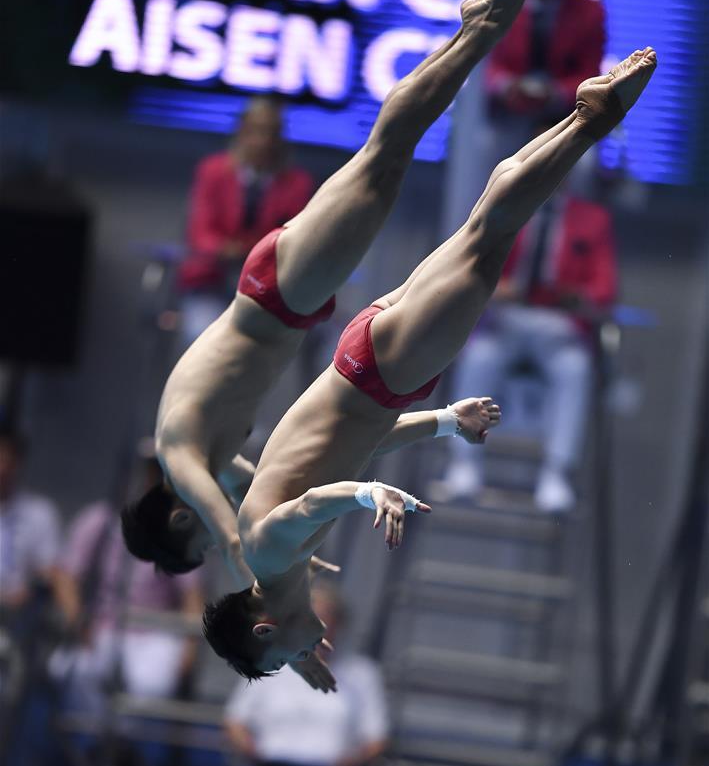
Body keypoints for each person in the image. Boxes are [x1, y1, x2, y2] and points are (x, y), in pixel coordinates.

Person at [202, 48, 657, 688]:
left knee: (489, 242)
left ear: (265, 627)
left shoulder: (269, 550)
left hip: (381, 372)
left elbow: (312, 501)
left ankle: (589, 122)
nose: (313, 650)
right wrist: (444, 421)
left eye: (286, 655)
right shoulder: (276, 573)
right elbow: (355, 448)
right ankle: (579, 113)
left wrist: (371, 494)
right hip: (367, 363)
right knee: (481, 232)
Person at [122, 0, 533, 591]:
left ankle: (474, 33)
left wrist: (268, 590)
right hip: (284, 298)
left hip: (275, 298)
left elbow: (234, 538)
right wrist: (298, 548)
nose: (210, 538)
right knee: (385, 160)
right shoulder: (207, 456)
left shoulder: (179, 456)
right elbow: (261, 491)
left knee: (384, 155)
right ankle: (472, 36)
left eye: (195, 544)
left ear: (179, 517)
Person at [434, 176, 618, 512]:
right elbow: (469, 265)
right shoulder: (504, 206)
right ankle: (464, 463)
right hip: (505, 318)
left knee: (575, 369)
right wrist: (494, 287)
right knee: (478, 358)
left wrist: (577, 297)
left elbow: (604, 291)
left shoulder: (592, 219)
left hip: (559, 325)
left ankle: (557, 472)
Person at [53, 456, 204, 714]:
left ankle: (123, 746)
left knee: (151, 685)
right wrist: (78, 623)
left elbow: (193, 595)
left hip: (154, 633)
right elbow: (66, 576)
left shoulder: (177, 529)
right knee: (70, 670)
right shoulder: (98, 519)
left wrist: (190, 648)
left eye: (153, 476)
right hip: (102, 628)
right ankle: (89, 744)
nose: (144, 483)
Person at [224, 583, 387, 766]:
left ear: (339, 625)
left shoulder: (361, 675)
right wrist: (252, 751)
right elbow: (235, 720)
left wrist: (349, 763)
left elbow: (376, 739)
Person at [178, 97, 315, 345]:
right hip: (210, 280)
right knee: (200, 337)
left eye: (273, 133)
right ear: (241, 132)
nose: (265, 141)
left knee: (290, 339)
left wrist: (252, 253)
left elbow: (294, 239)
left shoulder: (297, 183)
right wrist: (228, 250)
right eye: (257, 131)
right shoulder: (212, 171)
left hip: (267, 288)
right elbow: (200, 234)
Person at [485, 0, 606, 157]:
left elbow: (591, 74)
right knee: (486, 149)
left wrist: (556, 94)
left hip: (564, 118)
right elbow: (487, 64)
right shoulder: (501, 2)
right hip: (508, 115)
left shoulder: (590, 12)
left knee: (585, 167)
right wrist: (506, 86)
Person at [0, 427, 77, 632]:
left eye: (7, 460)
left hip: (17, 621)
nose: (2, 469)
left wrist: (74, 620)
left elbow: (53, 571)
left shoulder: (39, 514)